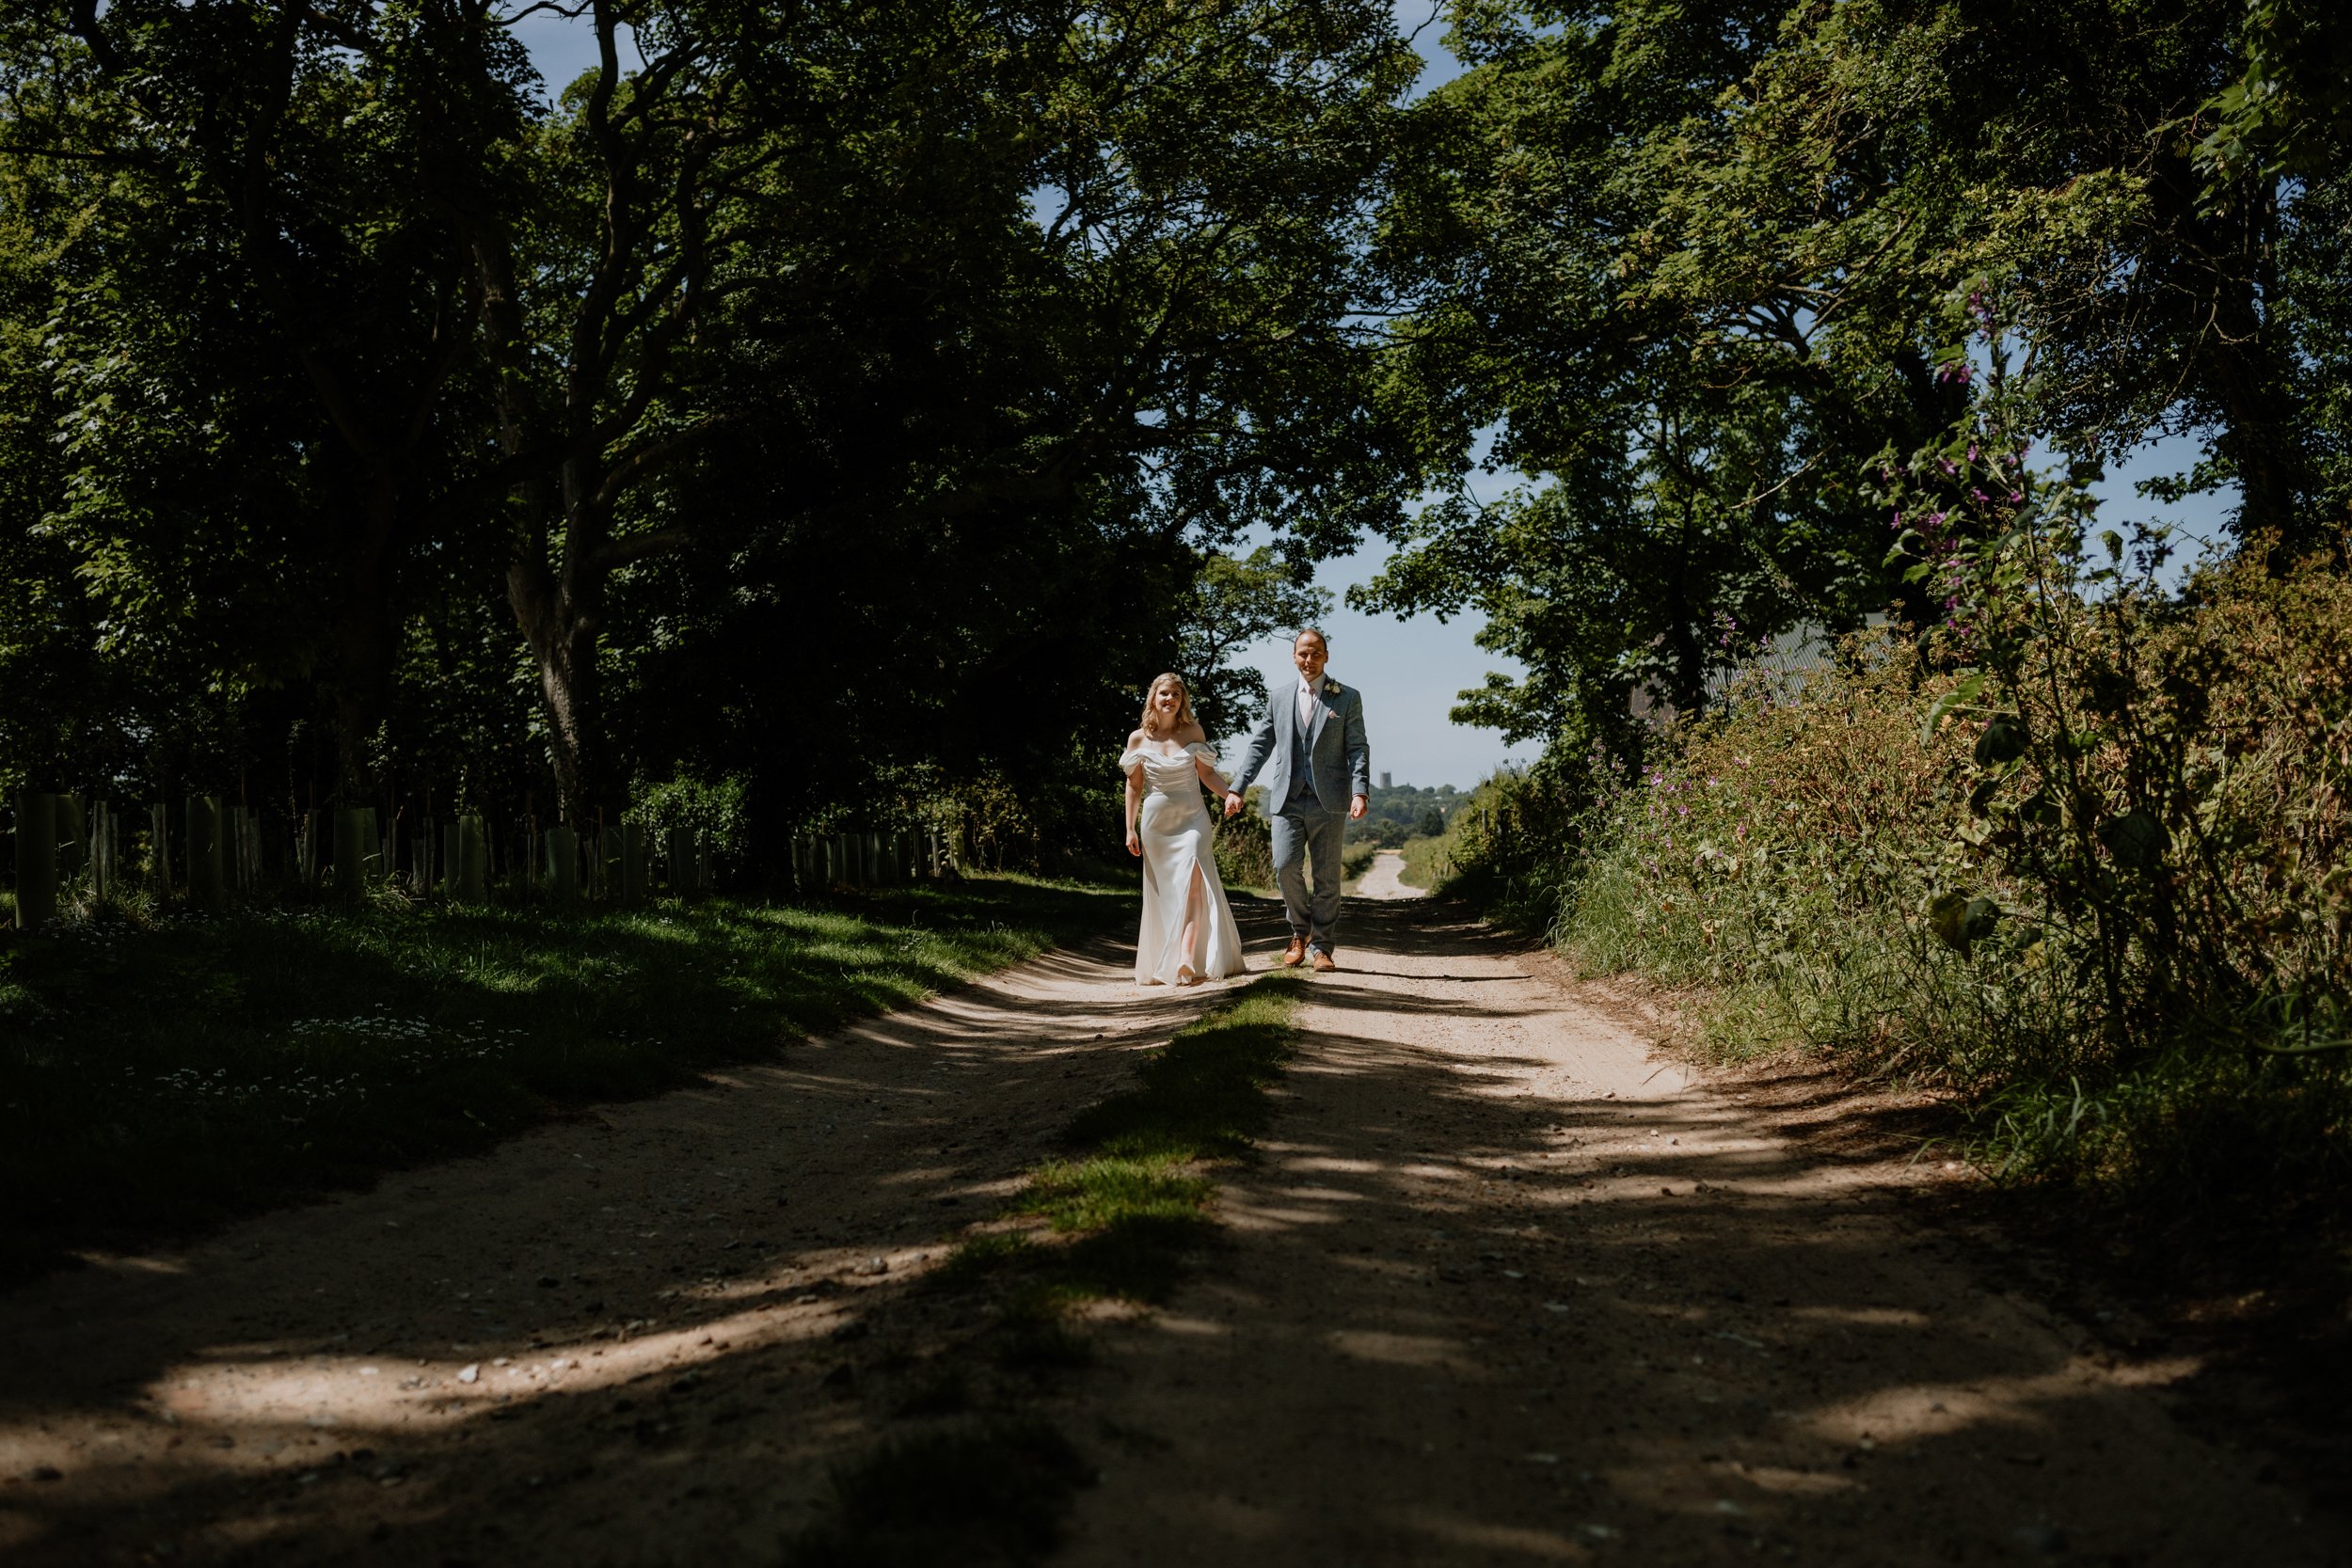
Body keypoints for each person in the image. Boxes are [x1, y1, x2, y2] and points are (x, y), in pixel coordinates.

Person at [1223, 627, 1369, 972]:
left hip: (1330, 800)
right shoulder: (1278, 697)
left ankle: (1322, 947)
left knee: (1327, 876)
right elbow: (1260, 746)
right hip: (1287, 799)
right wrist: (1237, 787)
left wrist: (1360, 791)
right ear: (1293, 656)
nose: (1309, 659)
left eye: (1316, 652)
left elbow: (1358, 748)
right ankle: (1299, 932)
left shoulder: (1346, 697)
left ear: (1326, 656)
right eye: (1303, 653)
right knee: (1284, 866)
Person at [1121, 673, 1247, 986]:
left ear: (1182, 700)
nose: (1170, 699)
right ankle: (1165, 956)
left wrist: (1230, 793)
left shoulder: (1193, 732)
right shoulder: (1137, 739)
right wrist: (1129, 829)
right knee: (1165, 893)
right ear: (1154, 697)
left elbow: (1206, 774)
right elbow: (1134, 787)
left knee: (1194, 883)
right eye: (1164, 693)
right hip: (1156, 824)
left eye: (1176, 694)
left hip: (1193, 817)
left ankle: (1187, 958)